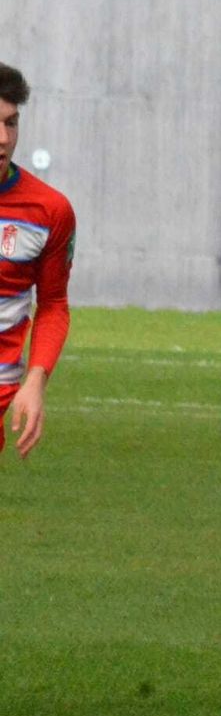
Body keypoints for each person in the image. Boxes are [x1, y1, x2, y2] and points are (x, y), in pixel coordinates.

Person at [0, 62, 76, 459]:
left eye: (11, 124)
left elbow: (53, 305)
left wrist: (36, 379)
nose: (3, 138)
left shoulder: (49, 211)